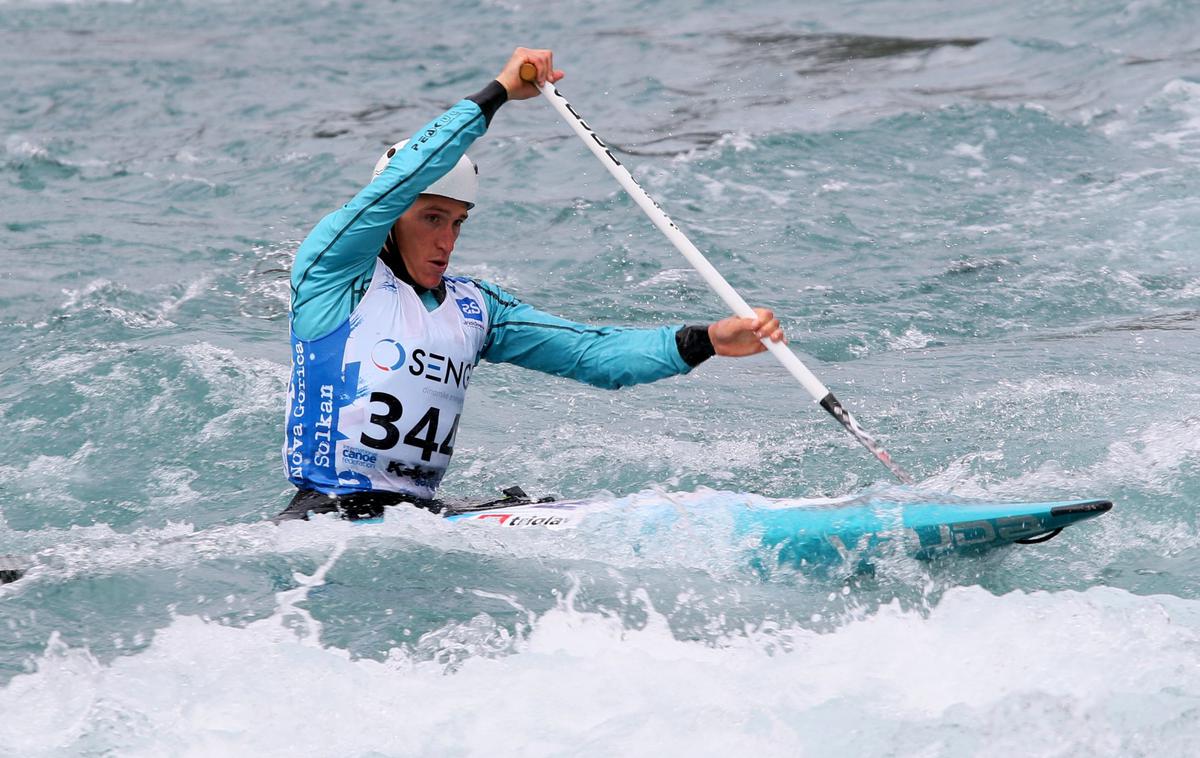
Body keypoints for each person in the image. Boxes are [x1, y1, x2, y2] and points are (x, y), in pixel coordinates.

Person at [278, 47, 785, 521]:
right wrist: (498, 91)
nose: (446, 241)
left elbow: (591, 355)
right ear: (388, 221)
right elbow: (404, 178)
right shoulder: (335, 275)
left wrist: (708, 340)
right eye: (432, 218)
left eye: (458, 222)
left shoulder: (476, 308)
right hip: (327, 515)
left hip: (418, 517)